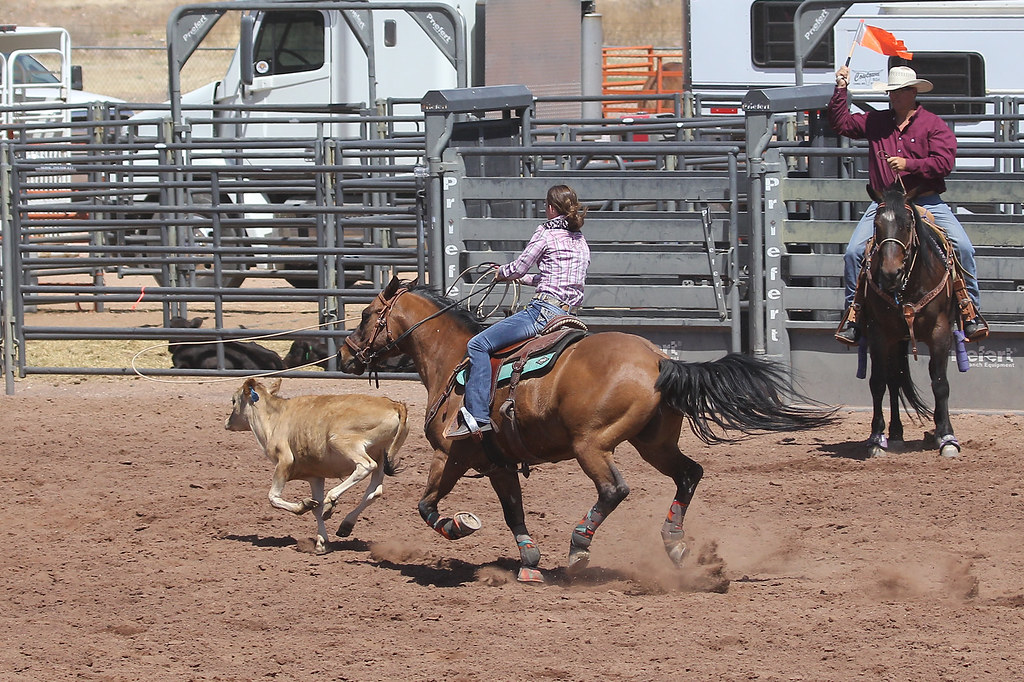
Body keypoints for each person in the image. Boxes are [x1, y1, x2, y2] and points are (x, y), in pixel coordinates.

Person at [828, 64, 987, 344]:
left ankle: (968, 310)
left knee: (963, 248)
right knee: (853, 252)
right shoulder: (877, 121)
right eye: (892, 92)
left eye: (900, 91)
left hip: (925, 200)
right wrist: (841, 89)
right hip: (887, 203)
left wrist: (908, 164)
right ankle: (854, 313)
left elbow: (944, 163)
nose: (894, 96)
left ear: (913, 92)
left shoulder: (933, 125)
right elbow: (842, 124)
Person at [446, 184, 590, 440]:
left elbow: (519, 267)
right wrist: (520, 279)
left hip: (543, 312)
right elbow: (550, 277)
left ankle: (477, 416)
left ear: (550, 208)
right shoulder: (580, 240)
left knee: (478, 345)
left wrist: (501, 273)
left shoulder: (545, 233)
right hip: (569, 316)